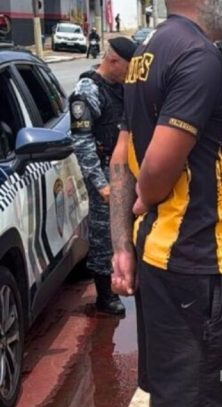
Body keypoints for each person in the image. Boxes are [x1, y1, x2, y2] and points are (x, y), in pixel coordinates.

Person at [109, 0, 222, 407]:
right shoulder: (198, 56)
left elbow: (121, 159)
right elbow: (153, 167)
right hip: (195, 261)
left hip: (164, 253)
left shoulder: (147, 53)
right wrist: (144, 201)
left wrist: (122, 246)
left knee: (172, 403)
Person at [70, 37, 136, 316]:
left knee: (127, 227)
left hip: (126, 168)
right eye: (128, 68)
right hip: (105, 172)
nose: (130, 74)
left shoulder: (122, 87)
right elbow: (82, 142)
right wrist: (101, 185)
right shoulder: (88, 91)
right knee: (103, 234)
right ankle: (105, 295)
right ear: (113, 61)